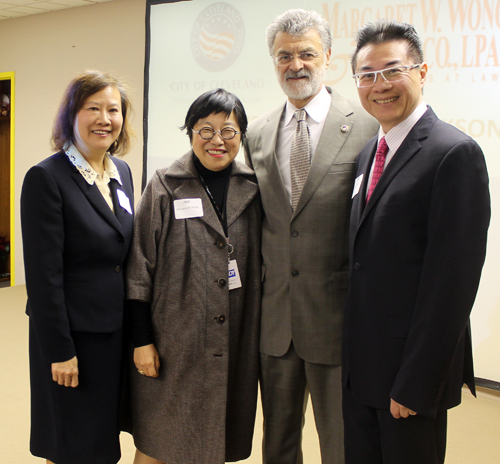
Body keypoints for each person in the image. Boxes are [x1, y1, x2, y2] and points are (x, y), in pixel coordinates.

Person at [342, 19, 490, 464]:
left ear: (421, 72)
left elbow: (453, 284)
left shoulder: (453, 153)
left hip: (408, 376)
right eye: (366, 75)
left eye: (392, 71)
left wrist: (415, 383)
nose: (379, 85)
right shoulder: (370, 152)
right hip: (362, 370)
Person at [245, 8, 378, 464]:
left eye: (305, 54)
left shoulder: (365, 126)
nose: (295, 65)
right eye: (284, 56)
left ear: (326, 57)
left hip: (336, 320)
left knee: (341, 444)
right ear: (273, 61)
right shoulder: (257, 133)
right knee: (278, 445)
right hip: (276, 322)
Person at [126, 88, 262, 464]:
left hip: (233, 339)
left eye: (229, 131)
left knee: (213, 440)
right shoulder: (164, 186)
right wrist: (141, 341)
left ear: (242, 137)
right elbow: (140, 267)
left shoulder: (254, 188)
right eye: (206, 129)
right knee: (159, 440)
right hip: (173, 342)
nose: (217, 141)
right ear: (190, 132)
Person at [21, 70, 135, 464]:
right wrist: (59, 351)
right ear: (71, 114)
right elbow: (42, 277)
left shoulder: (120, 172)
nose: (105, 118)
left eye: (113, 110)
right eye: (93, 108)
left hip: (111, 333)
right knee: (71, 441)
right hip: (71, 337)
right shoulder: (46, 178)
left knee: (100, 439)